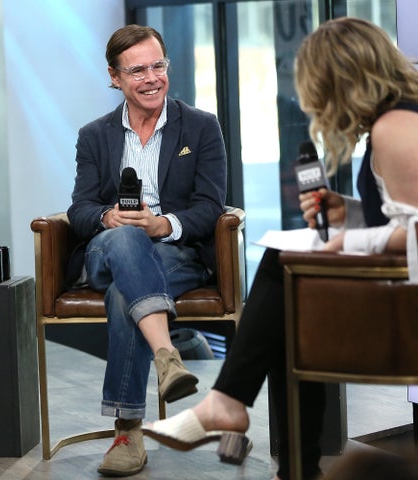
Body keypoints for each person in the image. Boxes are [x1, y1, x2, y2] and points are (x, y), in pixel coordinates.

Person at [143, 16, 418, 480]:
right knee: (287, 301)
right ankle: (282, 457)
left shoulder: (396, 127)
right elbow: (400, 214)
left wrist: (348, 240)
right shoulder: (396, 119)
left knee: (283, 276)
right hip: (393, 287)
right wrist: (347, 211)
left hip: (404, 306)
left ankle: (237, 412)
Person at [66, 24, 227, 476]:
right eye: (138, 70)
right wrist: (107, 218)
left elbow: (211, 207)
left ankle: (127, 432)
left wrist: (163, 224)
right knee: (125, 237)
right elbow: (78, 209)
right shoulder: (94, 136)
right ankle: (165, 355)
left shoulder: (201, 126)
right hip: (106, 251)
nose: (152, 77)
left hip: (174, 254)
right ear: (115, 78)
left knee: (125, 295)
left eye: (159, 65)